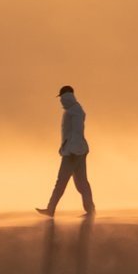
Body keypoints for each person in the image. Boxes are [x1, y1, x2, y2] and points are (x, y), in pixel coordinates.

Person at [43, 84, 95, 221]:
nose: (60, 101)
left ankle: (50, 209)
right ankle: (90, 210)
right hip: (77, 151)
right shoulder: (74, 109)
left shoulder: (74, 111)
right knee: (81, 183)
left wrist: (71, 149)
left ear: (65, 97)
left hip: (73, 153)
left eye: (61, 98)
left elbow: (77, 132)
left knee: (62, 182)